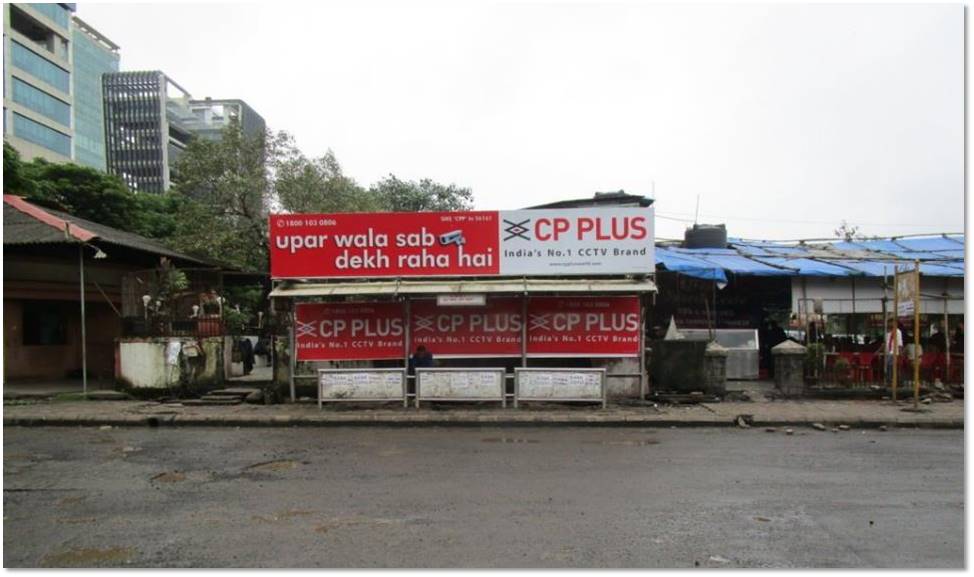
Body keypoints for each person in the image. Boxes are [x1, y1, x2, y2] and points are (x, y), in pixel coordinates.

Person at [884, 320, 903, 384]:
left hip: (895, 352)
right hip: (888, 353)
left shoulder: (898, 332)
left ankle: (894, 381)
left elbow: (899, 343)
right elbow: (886, 343)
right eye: (890, 322)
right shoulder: (888, 333)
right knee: (888, 367)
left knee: (892, 367)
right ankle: (889, 380)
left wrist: (900, 353)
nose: (890, 324)